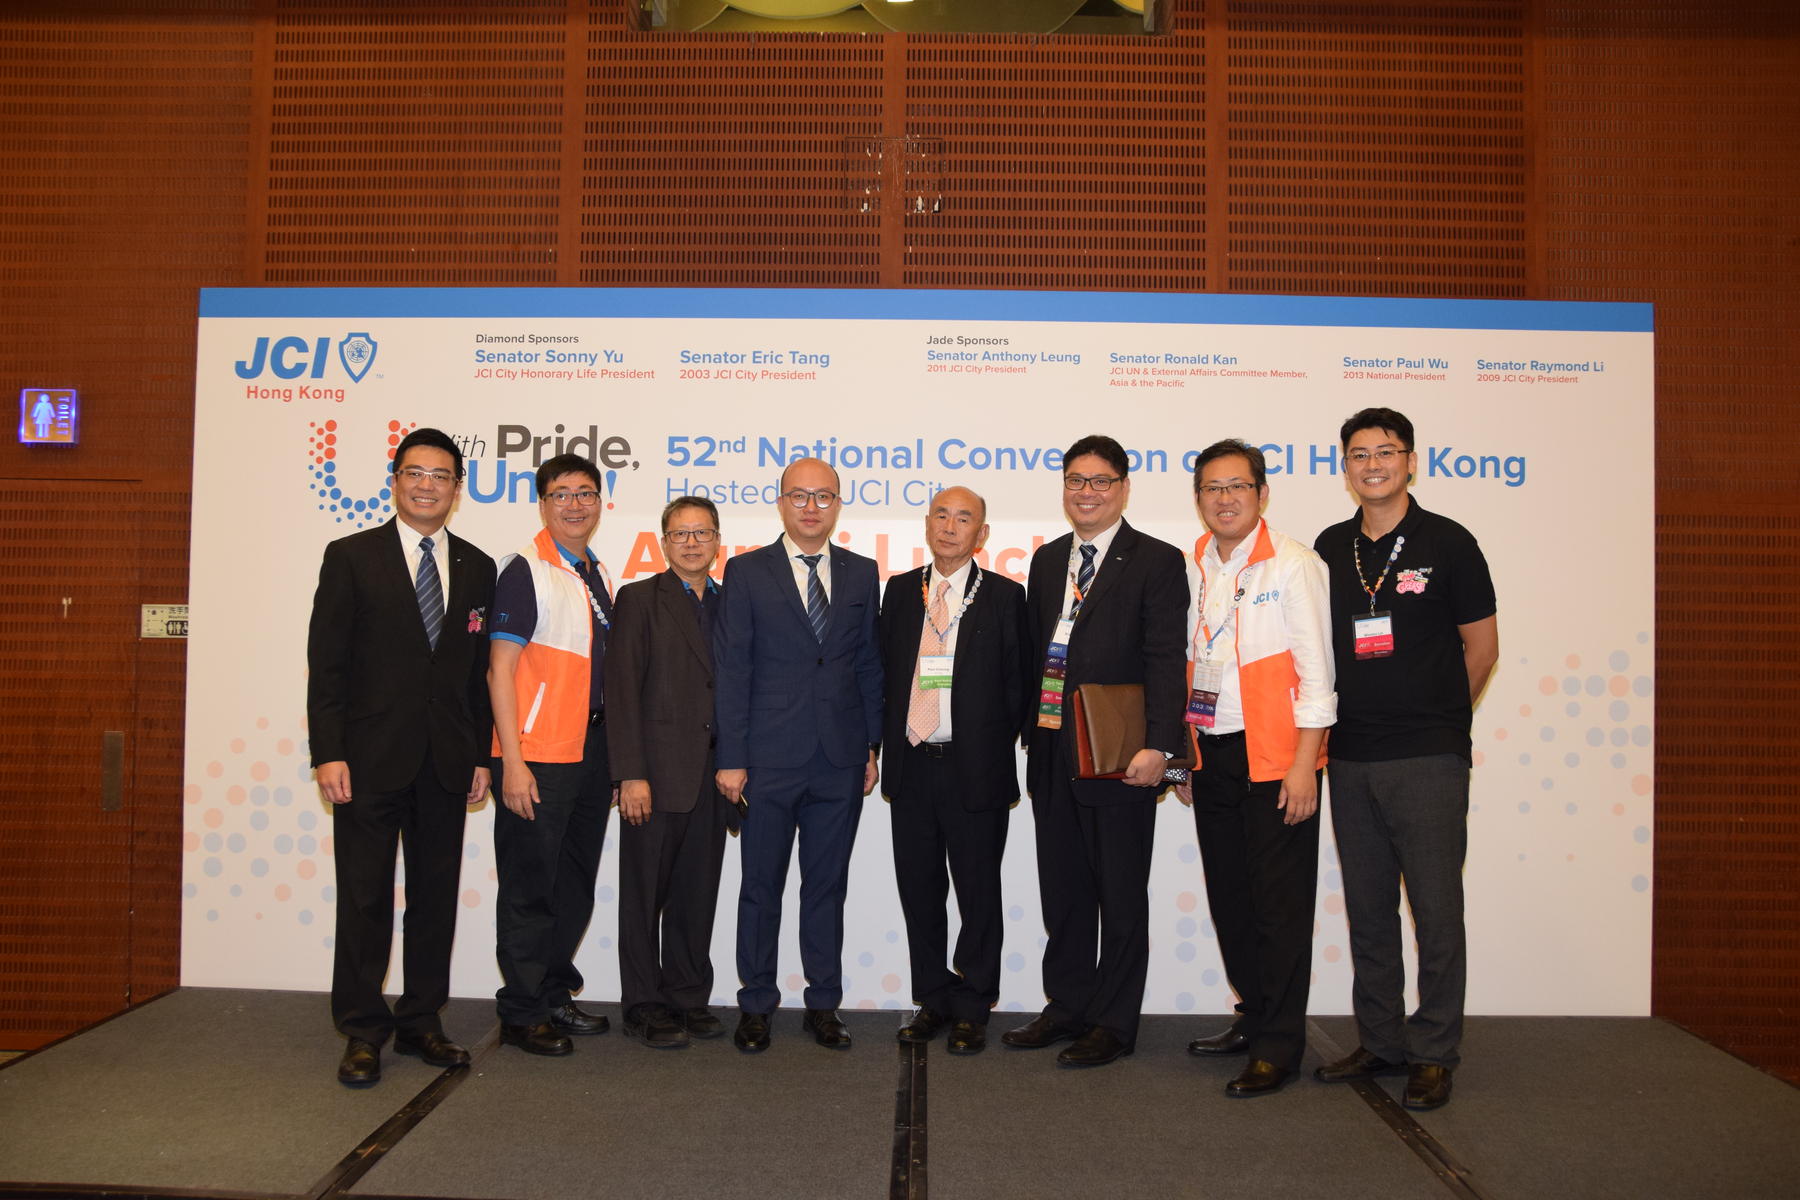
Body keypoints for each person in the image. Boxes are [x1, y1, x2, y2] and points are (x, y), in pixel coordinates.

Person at [1311, 407, 1498, 1112]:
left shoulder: (1449, 542)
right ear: (1346, 467)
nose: (1373, 464)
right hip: (1351, 754)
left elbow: (1483, 647)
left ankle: (1434, 1052)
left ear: (1411, 461)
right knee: (1369, 911)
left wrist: (1442, 720)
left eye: (1386, 451)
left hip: (1427, 757)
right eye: (1359, 454)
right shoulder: (1331, 547)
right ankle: (1381, 1041)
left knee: (1435, 910)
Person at [306, 426, 496, 1088]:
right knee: (363, 899)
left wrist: (481, 755)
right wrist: (328, 752)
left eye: (441, 476)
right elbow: (326, 665)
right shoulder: (351, 556)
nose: (426, 486)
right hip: (367, 760)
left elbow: (476, 676)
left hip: (446, 761)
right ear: (395, 481)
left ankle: (421, 1021)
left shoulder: (478, 566)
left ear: (457, 489)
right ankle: (362, 1030)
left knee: (434, 899)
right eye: (415, 473)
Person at [1003, 434, 1188, 1068]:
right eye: (1076, 481)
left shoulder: (1156, 560)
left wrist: (1162, 748)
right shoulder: (1048, 560)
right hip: (1053, 748)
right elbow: (1037, 654)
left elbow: (1166, 659)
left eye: (1101, 481)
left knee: (1121, 893)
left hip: (1120, 756)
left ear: (1124, 488)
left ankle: (1113, 1022)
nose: (1087, 492)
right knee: (1064, 890)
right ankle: (1068, 1006)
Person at [1174, 439, 1335, 1097]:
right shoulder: (1194, 564)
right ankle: (1254, 1016)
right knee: (1231, 899)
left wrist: (1304, 766)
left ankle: (1279, 1045)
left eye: (1237, 486)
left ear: (1262, 494)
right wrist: (1185, 762)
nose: (1225, 499)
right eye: (1212, 488)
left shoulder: (1295, 564)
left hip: (1277, 761)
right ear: (1198, 499)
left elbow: (1319, 675)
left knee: (1279, 909)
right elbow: (1190, 666)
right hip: (1212, 755)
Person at [714, 457, 883, 1053]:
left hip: (839, 759)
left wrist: (871, 746)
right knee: (760, 887)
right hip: (766, 759)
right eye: (800, 496)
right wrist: (732, 756)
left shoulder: (863, 572)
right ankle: (756, 1003)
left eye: (823, 497)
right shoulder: (746, 571)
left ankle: (823, 1004)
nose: (812, 508)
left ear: (838, 503)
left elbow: (868, 664)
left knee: (826, 887)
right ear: (781, 502)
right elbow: (733, 668)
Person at [880, 487, 1030, 1056]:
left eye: (963, 518)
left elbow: (1018, 686)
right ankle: (933, 998)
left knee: (978, 893)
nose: (950, 526)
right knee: (919, 891)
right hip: (912, 767)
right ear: (927, 524)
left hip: (975, 770)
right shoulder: (900, 591)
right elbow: (883, 673)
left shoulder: (1005, 596)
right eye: (941, 515)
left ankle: (973, 1004)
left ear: (981, 534)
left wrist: (986, 743)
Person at [487, 454, 617, 1057]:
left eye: (585, 493)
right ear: (542, 504)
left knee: (574, 885)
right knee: (529, 887)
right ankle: (522, 1010)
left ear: (600, 502)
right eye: (561, 494)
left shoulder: (596, 571)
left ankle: (553, 993)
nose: (574, 504)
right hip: (537, 756)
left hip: (590, 752)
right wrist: (511, 762)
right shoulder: (526, 569)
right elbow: (501, 670)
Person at [607, 496, 737, 1049]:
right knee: (643, 897)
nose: (691, 543)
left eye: (701, 533)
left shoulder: (732, 602)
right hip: (654, 777)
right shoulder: (639, 599)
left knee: (696, 893)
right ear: (663, 543)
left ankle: (687, 996)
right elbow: (621, 690)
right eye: (680, 533)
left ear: (717, 542)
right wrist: (630, 774)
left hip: (715, 776)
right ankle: (643, 1004)